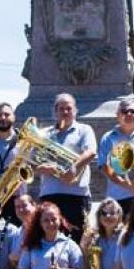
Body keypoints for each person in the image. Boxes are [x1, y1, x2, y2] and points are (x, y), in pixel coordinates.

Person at [36, 94, 98, 243]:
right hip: (49, 194)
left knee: (75, 239)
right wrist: (44, 168)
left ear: (75, 111)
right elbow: (31, 162)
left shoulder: (84, 130)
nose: (65, 112)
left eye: (69, 108)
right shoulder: (44, 134)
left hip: (76, 195)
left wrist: (73, 168)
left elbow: (91, 152)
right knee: (48, 238)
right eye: (61, 109)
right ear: (55, 111)